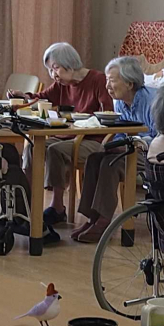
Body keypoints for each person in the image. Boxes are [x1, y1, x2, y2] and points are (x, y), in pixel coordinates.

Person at [69, 56, 156, 243]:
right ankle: (92, 218)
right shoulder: (120, 103)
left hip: (152, 153)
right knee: (95, 158)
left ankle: (104, 220)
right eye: (107, 80)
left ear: (130, 83)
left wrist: (131, 143)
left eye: (112, 80)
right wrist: (116, 145)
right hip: (131, 149)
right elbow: (120, 133)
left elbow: (160, 137)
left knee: (111, 164)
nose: (107, 85)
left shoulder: (151, 102)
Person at [36, 42, 116, 230]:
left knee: (54, 150)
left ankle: (57, 207)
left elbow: (108, 114)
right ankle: (27, 205)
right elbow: (42, 97)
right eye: (50, 70)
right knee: (34, 147)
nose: (53, 75)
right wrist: (23, 97)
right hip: (69, 136)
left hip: (93, 139)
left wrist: (84, 122)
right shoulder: (61, 84)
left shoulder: (97, 80)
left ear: (69, 63)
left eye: (55, 68)